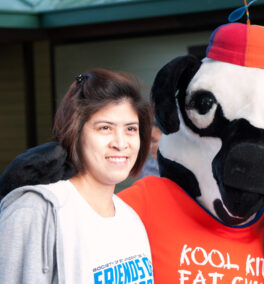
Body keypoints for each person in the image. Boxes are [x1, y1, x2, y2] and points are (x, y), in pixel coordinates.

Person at [0, 69, 154, 283]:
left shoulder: (131, 219)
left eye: (130, 129)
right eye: (105, 128)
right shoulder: (37, 211)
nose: (120, 143)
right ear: (76, 133)